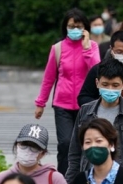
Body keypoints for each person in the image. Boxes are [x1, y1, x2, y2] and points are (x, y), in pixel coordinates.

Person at [35, 8, 100, 174]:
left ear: (85, 28)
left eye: (78, 26)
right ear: (65, 28)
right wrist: (40, 103)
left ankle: (83, 177)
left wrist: (86, 49)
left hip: (85, 104)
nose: (75, 30)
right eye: (71, 26)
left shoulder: (92, 47)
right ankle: (63, 179)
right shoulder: (57, 48)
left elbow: (97, 71)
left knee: (84, 142)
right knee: (65, 143)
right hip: (62, 104)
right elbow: (49, 78)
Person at [65, 59, 123, 184]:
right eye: (105, 84)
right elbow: (75, 153)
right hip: (90, 180)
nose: (109, 89)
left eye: (115, 85)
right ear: (97, 83)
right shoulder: (86, 111)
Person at [78, 31, 123, 107]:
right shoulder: (99, 69)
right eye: (119, 52)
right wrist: (103, 105)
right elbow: (83, 98)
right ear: (111, 49)